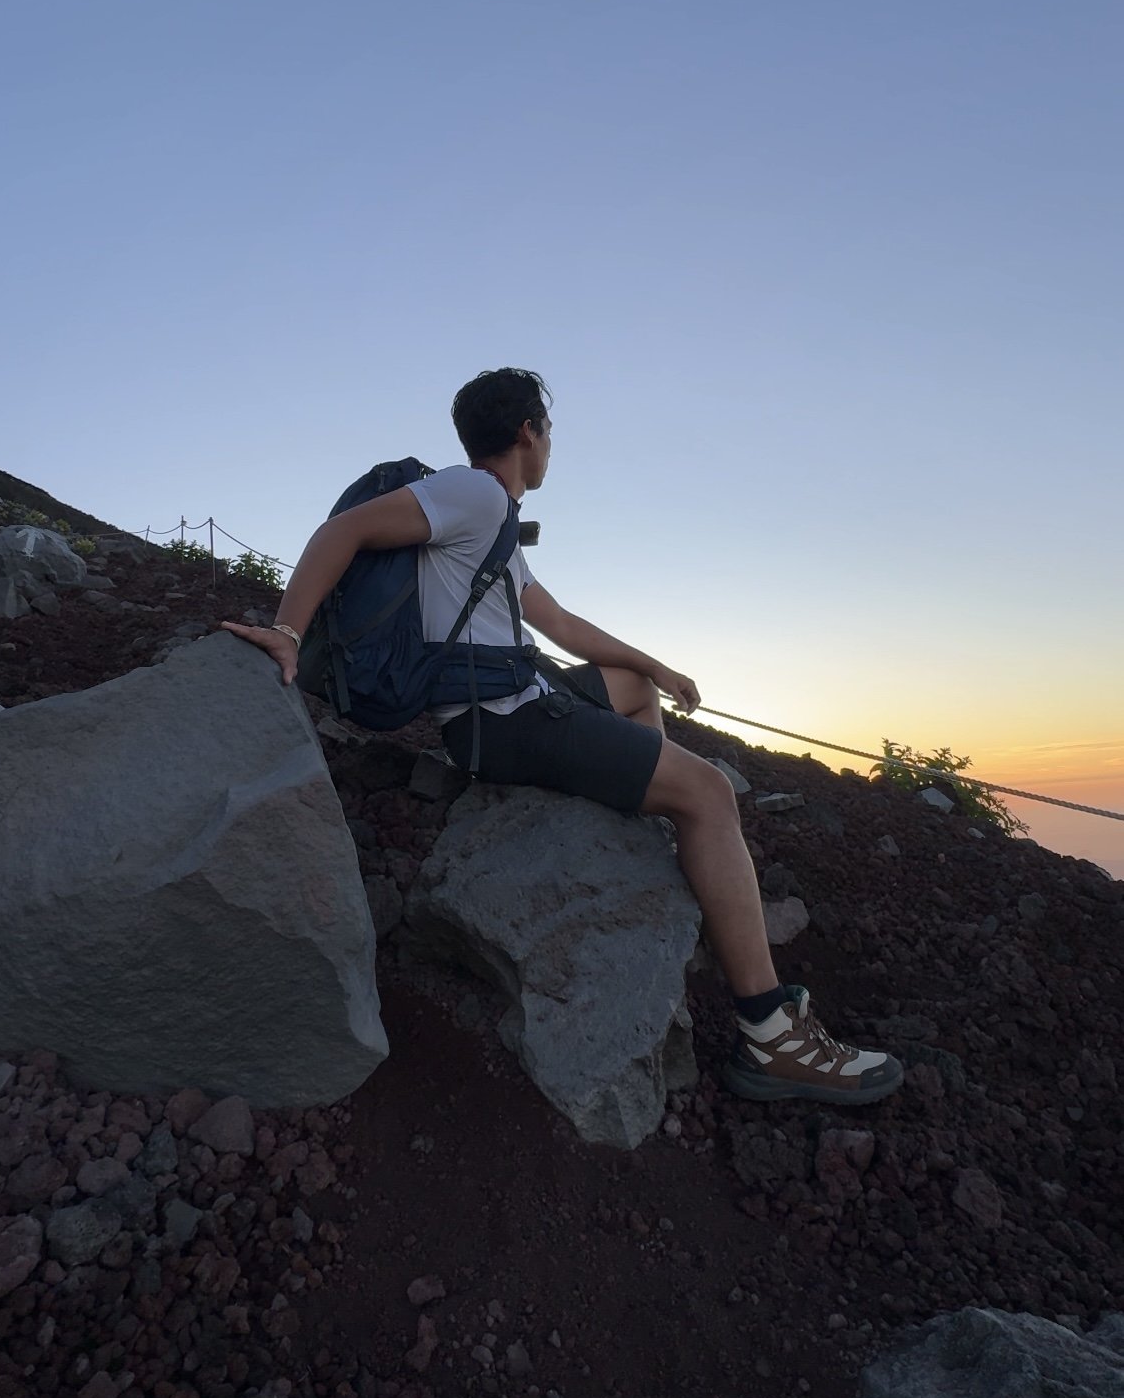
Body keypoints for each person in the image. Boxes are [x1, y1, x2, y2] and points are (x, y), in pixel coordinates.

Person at [223, 367, 902, 1104]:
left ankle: (662, 820)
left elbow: (562, 627)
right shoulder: (474, 492)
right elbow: (343, 529)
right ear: (526, 432)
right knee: (708, 792)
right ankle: (770, 1037)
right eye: (549, 431)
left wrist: (656, 667)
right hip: (506, 724)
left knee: (633, 692)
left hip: (519, 699)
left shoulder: (493, 524)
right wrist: (286, 630)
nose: (551, 447)